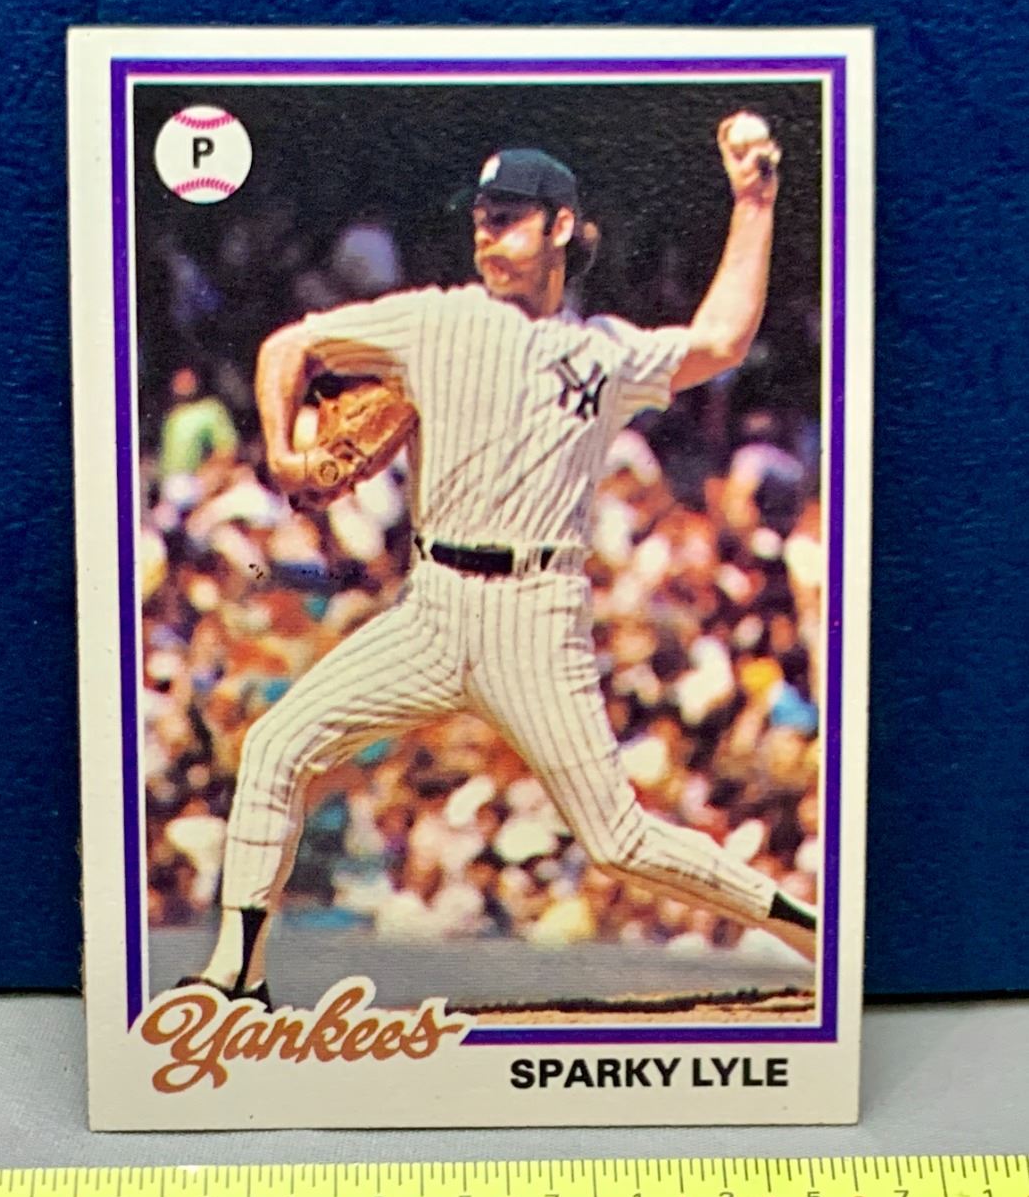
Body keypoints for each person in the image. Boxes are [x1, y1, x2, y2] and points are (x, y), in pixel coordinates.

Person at [180, 115, 817, 1006]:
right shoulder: (431, 319)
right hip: (432, 606)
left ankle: (814, 933)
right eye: (480, 217)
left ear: (562, 227)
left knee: (618, 842)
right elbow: (290, 346)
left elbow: (720, 340)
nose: (486, 232)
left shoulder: (603, 351)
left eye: (508, 216)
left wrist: (753, 202)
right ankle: (235, 975)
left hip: (535, 615)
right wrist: (285, 452)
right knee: (277, 746)